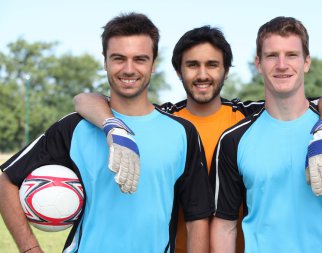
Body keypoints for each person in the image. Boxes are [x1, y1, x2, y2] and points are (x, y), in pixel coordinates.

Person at [74, 26, 322, 252]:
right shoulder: (166, 121)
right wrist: (111, 125)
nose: (203, 74)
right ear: (178, 71)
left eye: (213, 65)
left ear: (226, 70)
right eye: (192, 65)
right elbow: (87, 99)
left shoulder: (249, 118)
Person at [0, 13, 214, 253]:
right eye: (118, 58)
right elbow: (5, 180)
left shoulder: (182, 132)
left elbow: (197, 218)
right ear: (105, 62)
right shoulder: (74, 127)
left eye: (140, 59)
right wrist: (30, 249)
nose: (129, 69)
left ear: (153, 64)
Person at [209, 16, 322, 253]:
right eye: (272, 56)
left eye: (291, 55)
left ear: (306, 62)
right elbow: (225, 226)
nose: (281, 64)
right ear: (258, 63)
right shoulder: (233, 140)